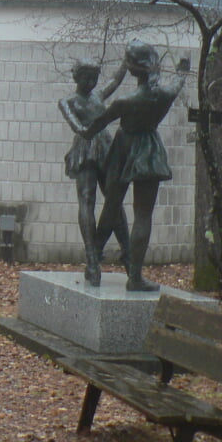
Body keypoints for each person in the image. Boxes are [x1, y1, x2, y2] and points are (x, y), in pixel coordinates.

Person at [83, 41, 188, 292]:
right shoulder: (165, 94)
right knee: (143, 216)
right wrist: (182, 69)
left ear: (131, 69)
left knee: (111, 206)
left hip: (123, 149)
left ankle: (94, 258)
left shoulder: (125, 101)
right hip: (149, 150)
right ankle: (135, 276)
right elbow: (178, 81)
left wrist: (83, 132)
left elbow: (97, 124)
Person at [58, 59, 130, 286]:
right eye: (86, 78)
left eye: (94, 78)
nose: (90, 82)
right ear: (76, 78)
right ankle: (92, 256)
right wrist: (92, 127)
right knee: (87, 199)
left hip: (106, 148)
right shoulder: (67, 101)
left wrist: (127, 61)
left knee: (114, 200)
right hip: (85, 148)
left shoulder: (98, 96)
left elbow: (116, 80)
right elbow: (76, 126)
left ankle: (127, 252)